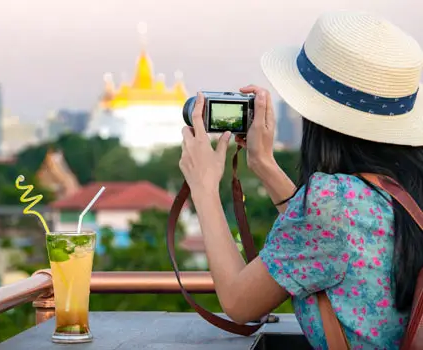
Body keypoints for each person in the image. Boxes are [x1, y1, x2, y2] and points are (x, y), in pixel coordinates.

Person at [178, 10, 423, 350]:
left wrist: (204, 188)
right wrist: (263, 164)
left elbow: (238, 302)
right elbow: (328, 239)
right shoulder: (395, 188)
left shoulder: (333, 203)